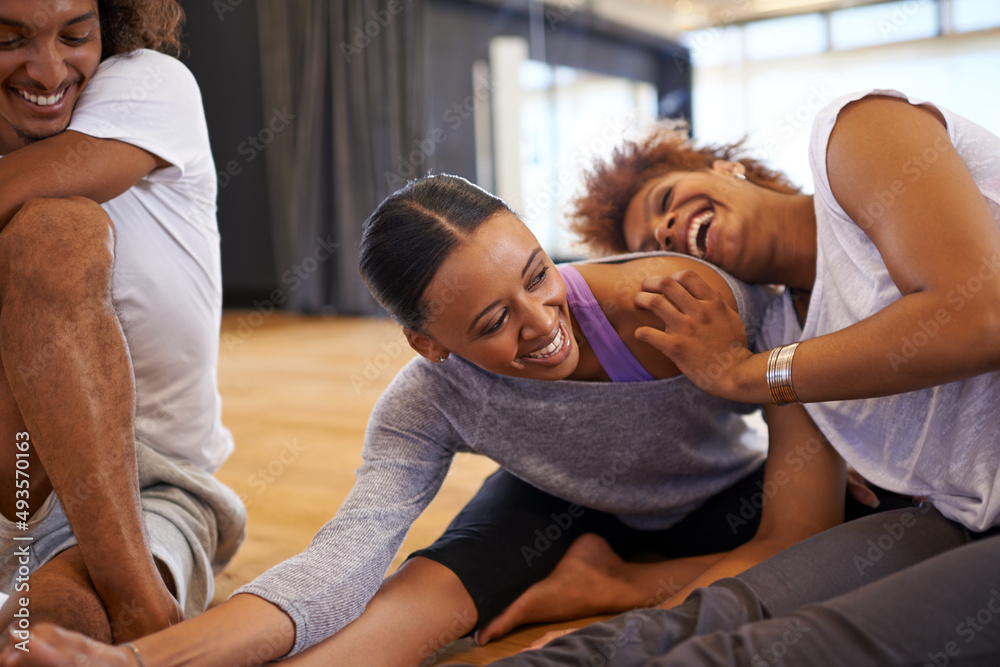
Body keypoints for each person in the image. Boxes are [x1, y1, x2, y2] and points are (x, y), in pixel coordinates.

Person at [0, 174, 941, 667]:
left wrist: (618, 584)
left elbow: (799, 525)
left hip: (722, 496)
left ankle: (608, 583)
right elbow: (340, 563)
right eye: (491, 323)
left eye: (538, 275)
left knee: (809, 576)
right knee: (413, 605)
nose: (541, 328)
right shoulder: (428, 402)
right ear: (428, 343)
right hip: (558, 500)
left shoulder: (686, 298)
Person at [465, 89, 1000, 664]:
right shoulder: (779, 330)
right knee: (660, 638)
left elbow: (978, 315)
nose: (666, 230)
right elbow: (793, 535)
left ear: (726, 169)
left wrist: (746, 376)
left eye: (665, 200)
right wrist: (640, 616)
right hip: (964, 522)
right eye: (652, 249)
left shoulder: (854, 131)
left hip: (961, 530)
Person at [0, 0, 243, 646]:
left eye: (76, 35)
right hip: (13, 495)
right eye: (9, 39)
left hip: (151, 491)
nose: (50, 70)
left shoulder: (147, 82)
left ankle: (143, 608)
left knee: (49, 638)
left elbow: (21, 190)